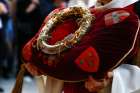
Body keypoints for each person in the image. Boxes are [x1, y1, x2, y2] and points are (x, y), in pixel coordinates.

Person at [12, 0, 140, 93]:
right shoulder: (88, 11)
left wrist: (113, 77)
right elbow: (64, 53)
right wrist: (41, 63)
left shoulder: (135, 12)